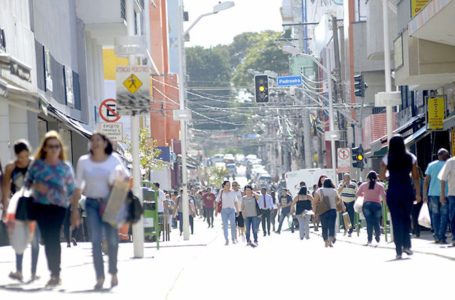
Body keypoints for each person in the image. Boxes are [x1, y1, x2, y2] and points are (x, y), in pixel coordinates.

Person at [71, 132, 129, 290]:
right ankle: (100, 277)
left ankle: (113, 272)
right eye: (92, 141)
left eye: (99, 140)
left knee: (112, 240)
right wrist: (74, 210)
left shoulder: (114, 159)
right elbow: (78, 186)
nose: (95, 143)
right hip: (91, 204)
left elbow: (126, 178)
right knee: (96, 240)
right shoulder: (84, 161)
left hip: (110, 203)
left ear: (105, 143)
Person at [25, 131, 75, 287]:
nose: (54, 149)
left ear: (60, 148)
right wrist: (36, 185)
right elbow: (26, 183)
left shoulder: (65, 167)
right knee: (47, 239)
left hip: (59, 207)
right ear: (45, 148)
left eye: (57, 146)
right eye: (51, 146)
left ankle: (55, 273)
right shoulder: (37, 165)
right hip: (40, 206)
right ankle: (53, 272)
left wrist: (74, 210)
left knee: (53, 237)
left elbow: (72, 188)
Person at [2, 140, 41, 281]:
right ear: (16, 155)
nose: (24, 159)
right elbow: (6, 188)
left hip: (34, 203)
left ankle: (33, 272)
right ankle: (19, 271)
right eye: (21, 156)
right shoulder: (10, 168)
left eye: (26, 156)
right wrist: (5, 208)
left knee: (34, 238)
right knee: (19, 238)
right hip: (17, 205)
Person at [380, 135, 421, 259]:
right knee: (406, 219)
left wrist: (388, 174)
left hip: (393, 192)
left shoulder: (387, 159)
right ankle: (407, 245)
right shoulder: (411, 158)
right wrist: (418, 193)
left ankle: (398, 250)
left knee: (396, 220)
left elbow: (381, 177)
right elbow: (415, 177)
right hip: (407, 191)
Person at [423, 148, 449, 243]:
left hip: (432, 193)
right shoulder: (448, 165)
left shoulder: (431, 165)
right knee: (444, 215)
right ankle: (442, 235)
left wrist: (424, 194)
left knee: (435, 215)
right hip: (445, 193)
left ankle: (436, 235)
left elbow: (426, 181)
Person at [356, 171, 386, 245]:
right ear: (376, 178)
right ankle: (377, 237)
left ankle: (369, 239)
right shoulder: (380, 186)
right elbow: (384, 196)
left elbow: (357, 193)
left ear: (367, 178)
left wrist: (364, 194)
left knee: (369, 222)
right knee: (377, 222)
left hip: (367, 205)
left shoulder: (363, 185)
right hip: (377, 205)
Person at [313, 178, 343, 247]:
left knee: (324, 226)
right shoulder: (334, 191)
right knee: (331, 225)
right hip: (332, 210)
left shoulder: (319, 191)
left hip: (323, 211)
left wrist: (315, 212)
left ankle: (326, 240)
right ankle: (331, 237)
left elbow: (314, 202)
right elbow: (336, 201)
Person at [438, 150, 455, 246]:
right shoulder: (450, 162)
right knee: (453, 216)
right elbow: (443, 179)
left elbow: (443, 179)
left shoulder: (450, 162)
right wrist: (442, 194)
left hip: (452, 194)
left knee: (453, 216)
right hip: (453, 194)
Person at [215, 181, 239, 245]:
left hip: (231, 210)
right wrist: (216, 211)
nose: (228, 186)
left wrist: (237, 211)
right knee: (225, 226)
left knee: (233, 225)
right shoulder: (221, 192)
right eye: (227, 185)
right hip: (224, 211)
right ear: (224, 185)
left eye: (229, 185)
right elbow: (217, 201)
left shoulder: (233, 192)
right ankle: (226, 239)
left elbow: (236, 202)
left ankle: (233, 239)